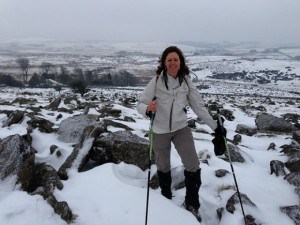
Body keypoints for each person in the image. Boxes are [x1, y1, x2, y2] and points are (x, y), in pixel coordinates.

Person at [137, 46, 218, 222]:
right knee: (163, 166)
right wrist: (147, 109)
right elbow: (141, 103)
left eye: (176, 59)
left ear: (180, 62)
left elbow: (198, 107)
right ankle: (165, 196)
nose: (173, 63)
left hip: (181, 128)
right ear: (164, 63)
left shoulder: (187, 82)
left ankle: (192, 204)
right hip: (159, 130)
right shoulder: (157, 81)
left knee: (193, 165)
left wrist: (216, 127)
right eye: (169, 60)